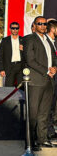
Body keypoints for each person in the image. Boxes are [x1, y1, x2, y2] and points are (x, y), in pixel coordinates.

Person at [25, 16, 57, 150]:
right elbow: (30, 60)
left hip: (49, 81)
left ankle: (42, 139)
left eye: (45, 24)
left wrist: (54, 67)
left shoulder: (48, 40)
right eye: (40, 24)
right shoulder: (29, 39)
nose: (43, 26)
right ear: (34, 25)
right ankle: (30, 142)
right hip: (36, 81)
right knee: (33, 114)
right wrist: (46, 71)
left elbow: (53, 57)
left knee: (44, 113)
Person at [0, 22, 24, 87]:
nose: (15, 30)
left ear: (19, 29)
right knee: (8, 88)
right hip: (9, 67)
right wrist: (1, 69)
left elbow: (27, 54)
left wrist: (23, 50)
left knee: (21, 88)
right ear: (10, 29)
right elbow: (1, 56)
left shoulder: (23, 40)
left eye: (16, 28)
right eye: (13, 28)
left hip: (20, 66)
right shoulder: (5, 40)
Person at [45, 20, 57, 140]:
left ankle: (51, 129)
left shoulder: (54, 42)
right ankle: (47, 131)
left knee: (53, 105)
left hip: (54, 77)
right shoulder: (46, 41)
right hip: (48, 77)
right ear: (53, 29)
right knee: (48, 106)